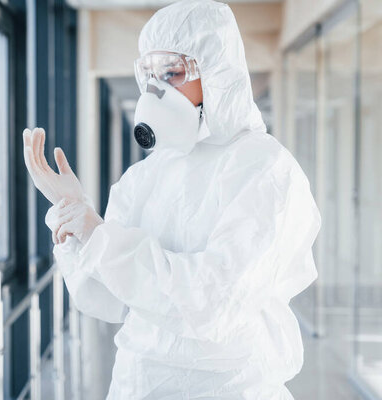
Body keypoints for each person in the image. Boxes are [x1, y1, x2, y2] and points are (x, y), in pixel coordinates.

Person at [22, 0, 320, 398]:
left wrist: (102, 239)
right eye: (151, 76)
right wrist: (78, 225)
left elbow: (214, 303)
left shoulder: (264, 169)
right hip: (136, 383)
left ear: (217, 71)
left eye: (173, 73)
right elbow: (107, 300)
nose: (158, 91)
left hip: (230, 387)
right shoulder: (147, 175)